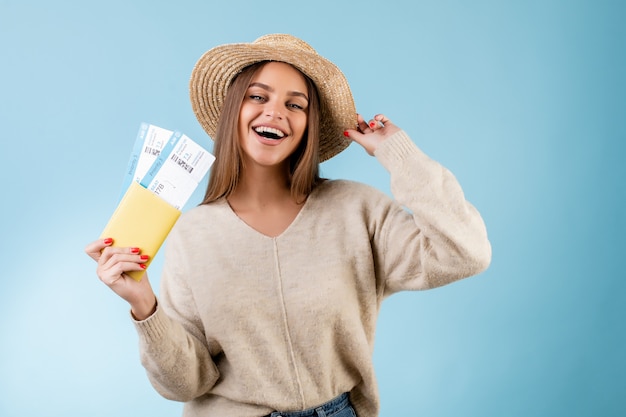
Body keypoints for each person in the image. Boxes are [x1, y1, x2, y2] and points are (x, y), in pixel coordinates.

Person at [85, 33, 491, 417]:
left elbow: (464, 252)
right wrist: (144, 305)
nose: (275, 111)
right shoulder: (193, 235)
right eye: (257, 96)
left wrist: (399, 155)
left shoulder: (358, 210)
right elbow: (185, 384)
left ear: (308, 125)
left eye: (295, 104)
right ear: (233, 111)